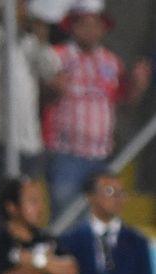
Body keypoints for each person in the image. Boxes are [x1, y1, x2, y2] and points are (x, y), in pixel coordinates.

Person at [43, 2, 151, 219]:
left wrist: (137, 88)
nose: (90, 30)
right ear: (72, 26)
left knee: (98, 217)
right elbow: (40, 99)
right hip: (66, 152)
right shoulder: (56, 56)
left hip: (101, 156)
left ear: (103, 28)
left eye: (96, 25)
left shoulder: (111, 62)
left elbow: (124, 103)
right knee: (65, 215)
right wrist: (52, 88)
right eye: (84, 24)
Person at [0, 0, 60, 236]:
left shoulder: (31, 44)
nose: (24, 11)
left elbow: (53, 73)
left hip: (30, 140)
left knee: (27, 205)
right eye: (18, 6)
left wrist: (40, 40)